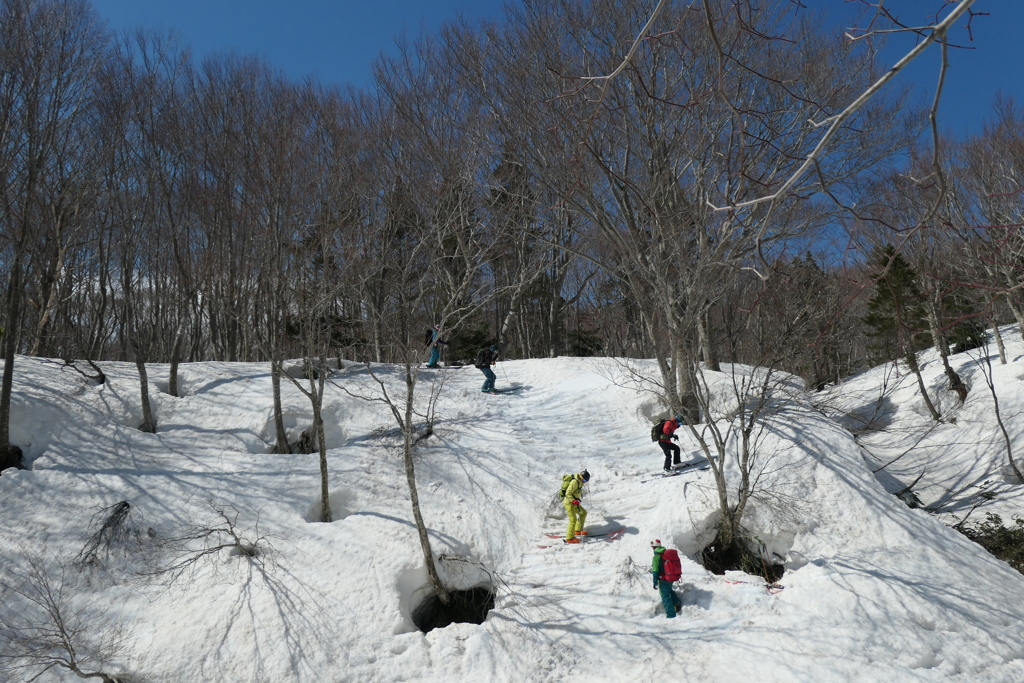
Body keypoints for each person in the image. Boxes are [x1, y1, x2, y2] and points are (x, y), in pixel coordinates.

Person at [651, 539, 682, 618]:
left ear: (654, 547)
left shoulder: (656, 557)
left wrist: (655, 582)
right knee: (669, 590)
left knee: (665, 596)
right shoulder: (665, 554)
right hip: (670, 577)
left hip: (663, 579)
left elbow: (655, 571)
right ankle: (677, 602)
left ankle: (671, 615)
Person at [562, 469, 590, 543]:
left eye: (585, 481)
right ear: (580, 477)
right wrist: (573, 500)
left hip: (575, 503)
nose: (584, 482)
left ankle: (577, 530)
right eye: (584, 480)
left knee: (583, 513)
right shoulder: (574, 482)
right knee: (573, 519)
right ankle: (569, 538)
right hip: (569, 503)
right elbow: (568, 493)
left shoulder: (580, 482)